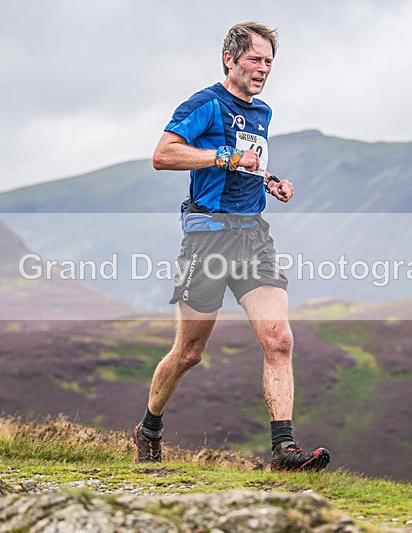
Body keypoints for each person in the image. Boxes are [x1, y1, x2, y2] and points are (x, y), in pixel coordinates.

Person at [132, 21, 330, 472]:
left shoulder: (262, 113)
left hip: (253, 236)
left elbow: (246, 163)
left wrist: (271, 182)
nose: (264, 69)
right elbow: (163, 154)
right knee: (189, 353)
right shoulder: (205, 103)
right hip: (206, 237)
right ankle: (149, 428)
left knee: (279, 340)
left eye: (269, 62)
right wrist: (223, 156)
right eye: (256, 60)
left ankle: (283, 449)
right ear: (230, 58)